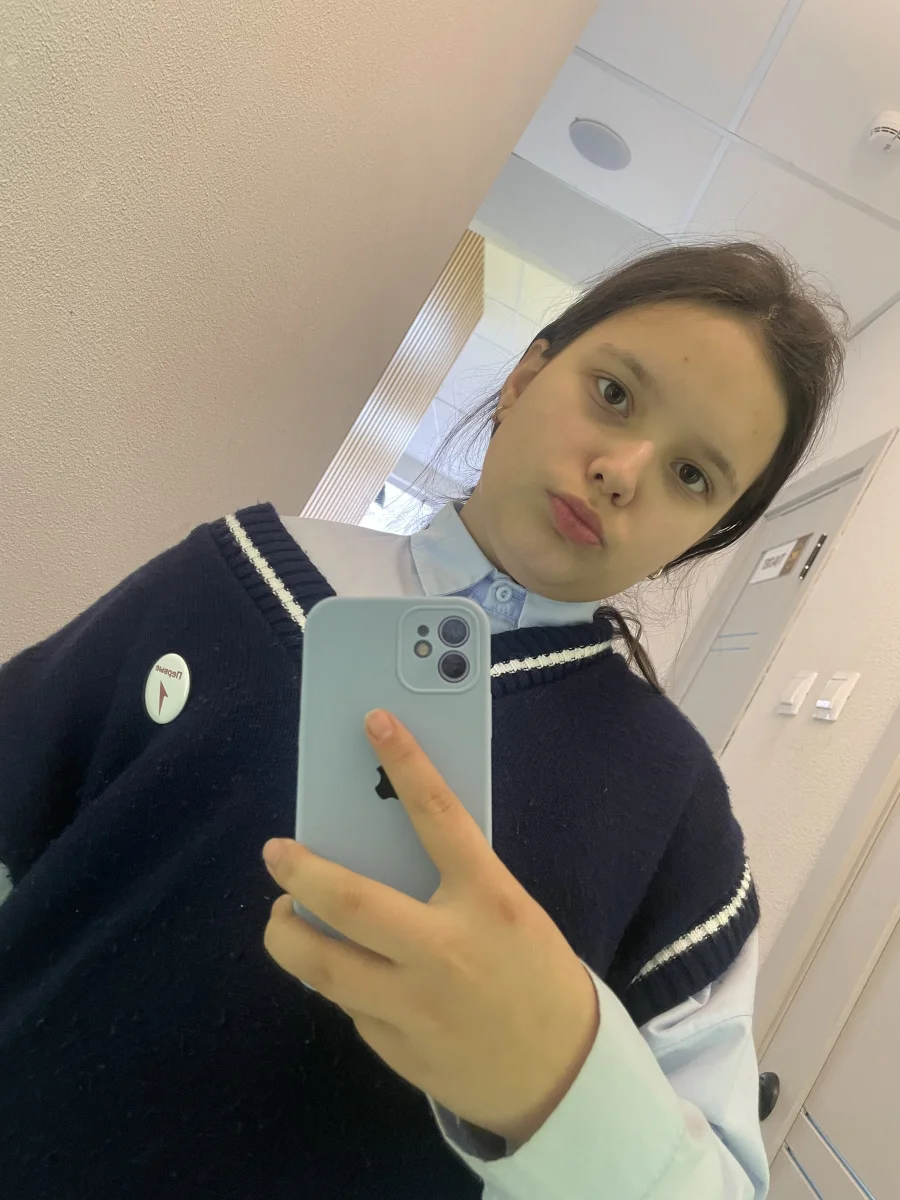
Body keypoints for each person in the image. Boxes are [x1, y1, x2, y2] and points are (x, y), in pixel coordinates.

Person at [0, 241, 845, 1199]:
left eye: (693, 476)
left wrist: (561, 1085)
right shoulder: (230, 573)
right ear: (524, 377)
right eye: (614, 394)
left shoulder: (676, 811)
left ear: (708, 533)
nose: (624, 471)